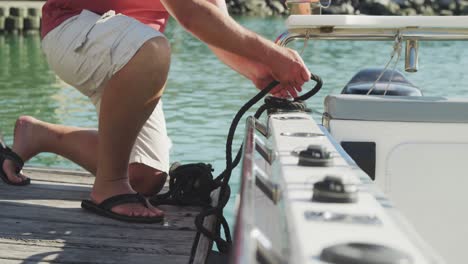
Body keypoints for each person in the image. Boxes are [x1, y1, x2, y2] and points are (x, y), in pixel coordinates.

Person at [0, 0, 310, 223]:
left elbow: (215, 23)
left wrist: (257, 71)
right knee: (154, 48)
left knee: (145, 174)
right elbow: (189, 13)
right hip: (75, 29)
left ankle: (37, 135)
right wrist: (272, 53)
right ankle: (107, 187)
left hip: (130, 53)